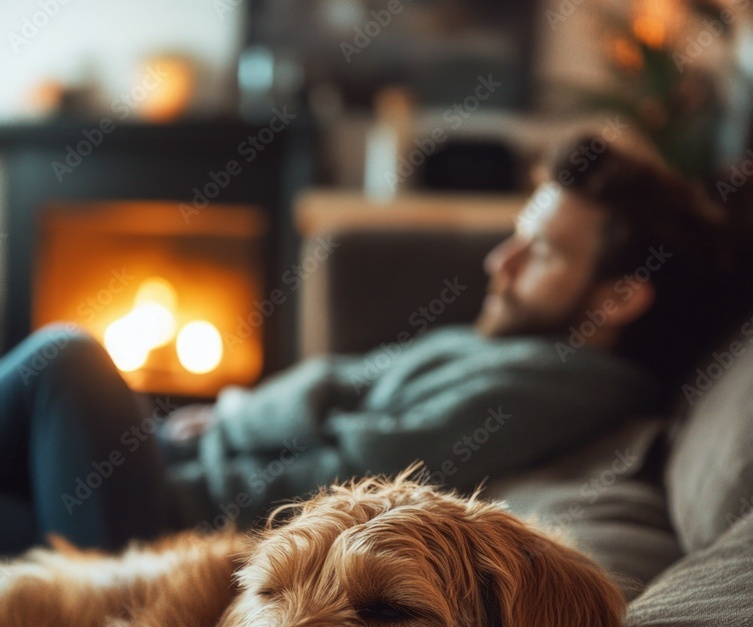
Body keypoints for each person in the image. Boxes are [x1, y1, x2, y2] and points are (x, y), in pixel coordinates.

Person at [0, 136, 734, 554]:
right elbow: (346, 387)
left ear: (619, 296)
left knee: (66, 361)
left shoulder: (568, 385)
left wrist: (228, 425)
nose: (497, 264)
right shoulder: (519, 347)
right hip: (172, 467)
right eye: (513, 237)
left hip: (170, 525)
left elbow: (360, 472)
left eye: (537, 253)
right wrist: (230, 416)